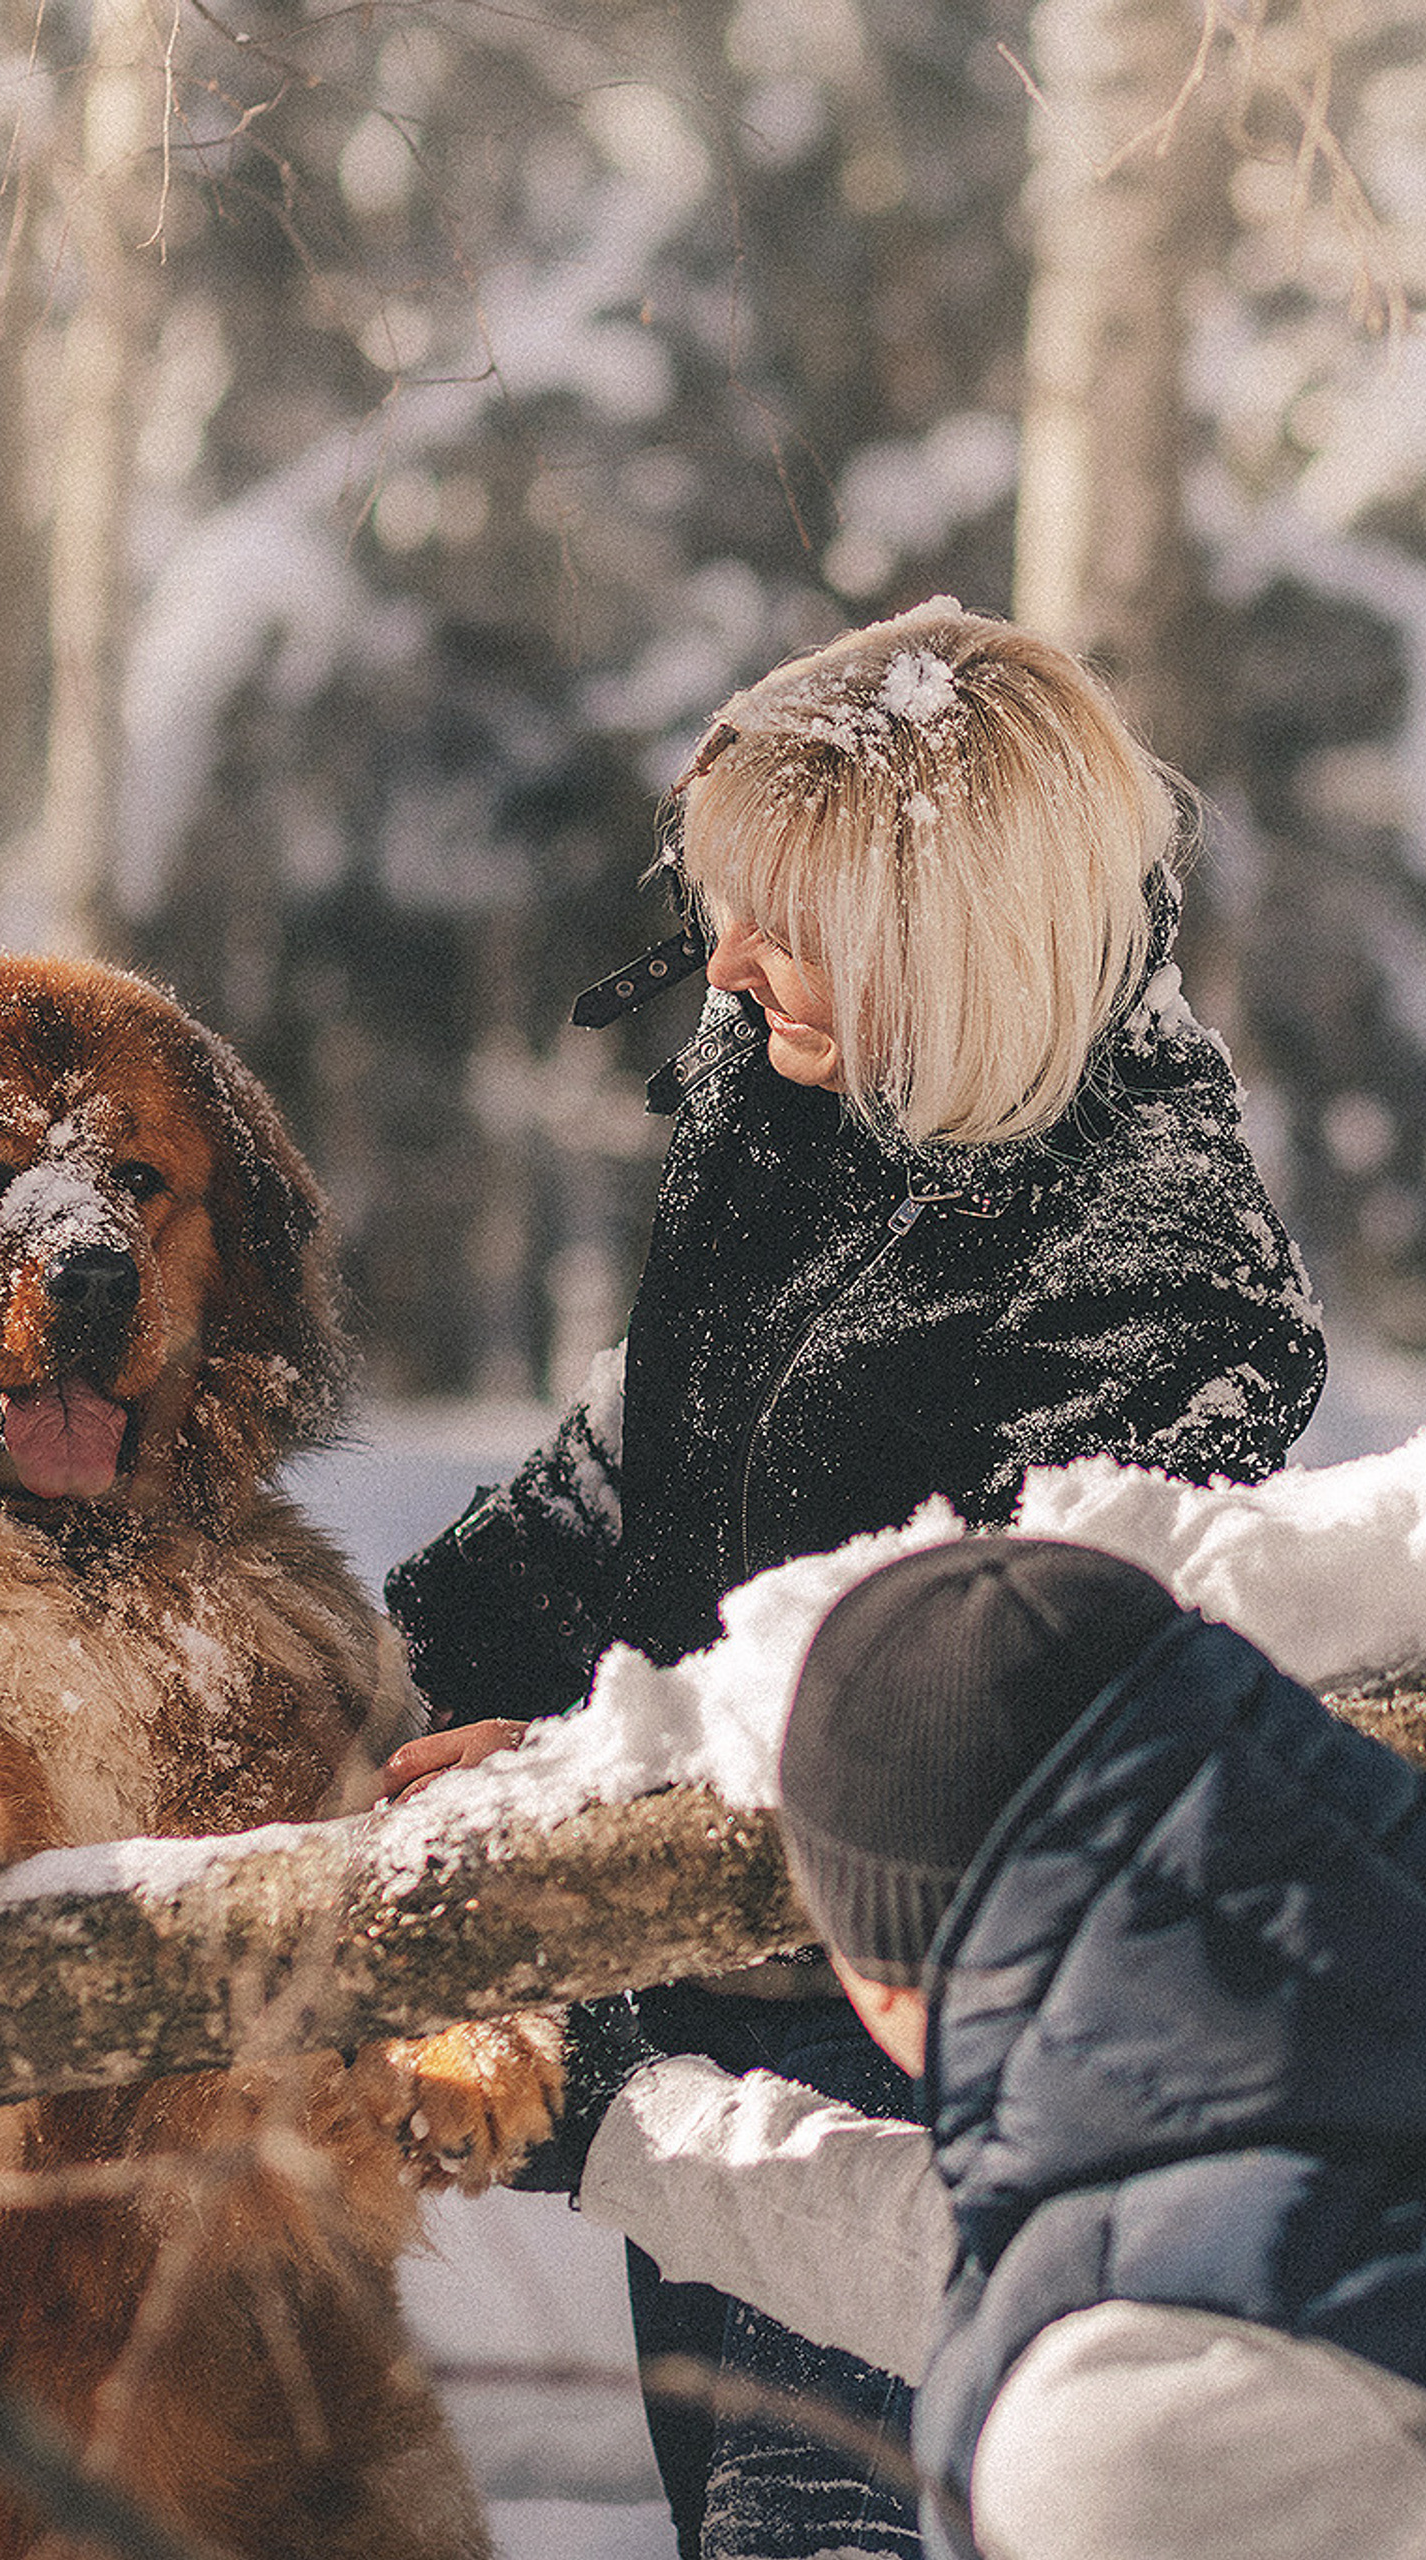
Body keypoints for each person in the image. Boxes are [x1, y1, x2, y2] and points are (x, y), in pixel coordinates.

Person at [382, 599, 1326, 2559]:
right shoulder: (786, 1102)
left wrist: (573, 1781)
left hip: (938, 2037)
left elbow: (976, 1655)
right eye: (720, 907)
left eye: (784, 916)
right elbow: (628, 1469)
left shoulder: (1144, 1236)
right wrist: (365, 1678)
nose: (721, 966)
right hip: (698, 1982)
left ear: (951, 921)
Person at [528, 1536, 1426, 2560]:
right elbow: (1052, 2266)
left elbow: (1122, 2365)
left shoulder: (1154, 2444)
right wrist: (617, 2125)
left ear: (903, 1960)